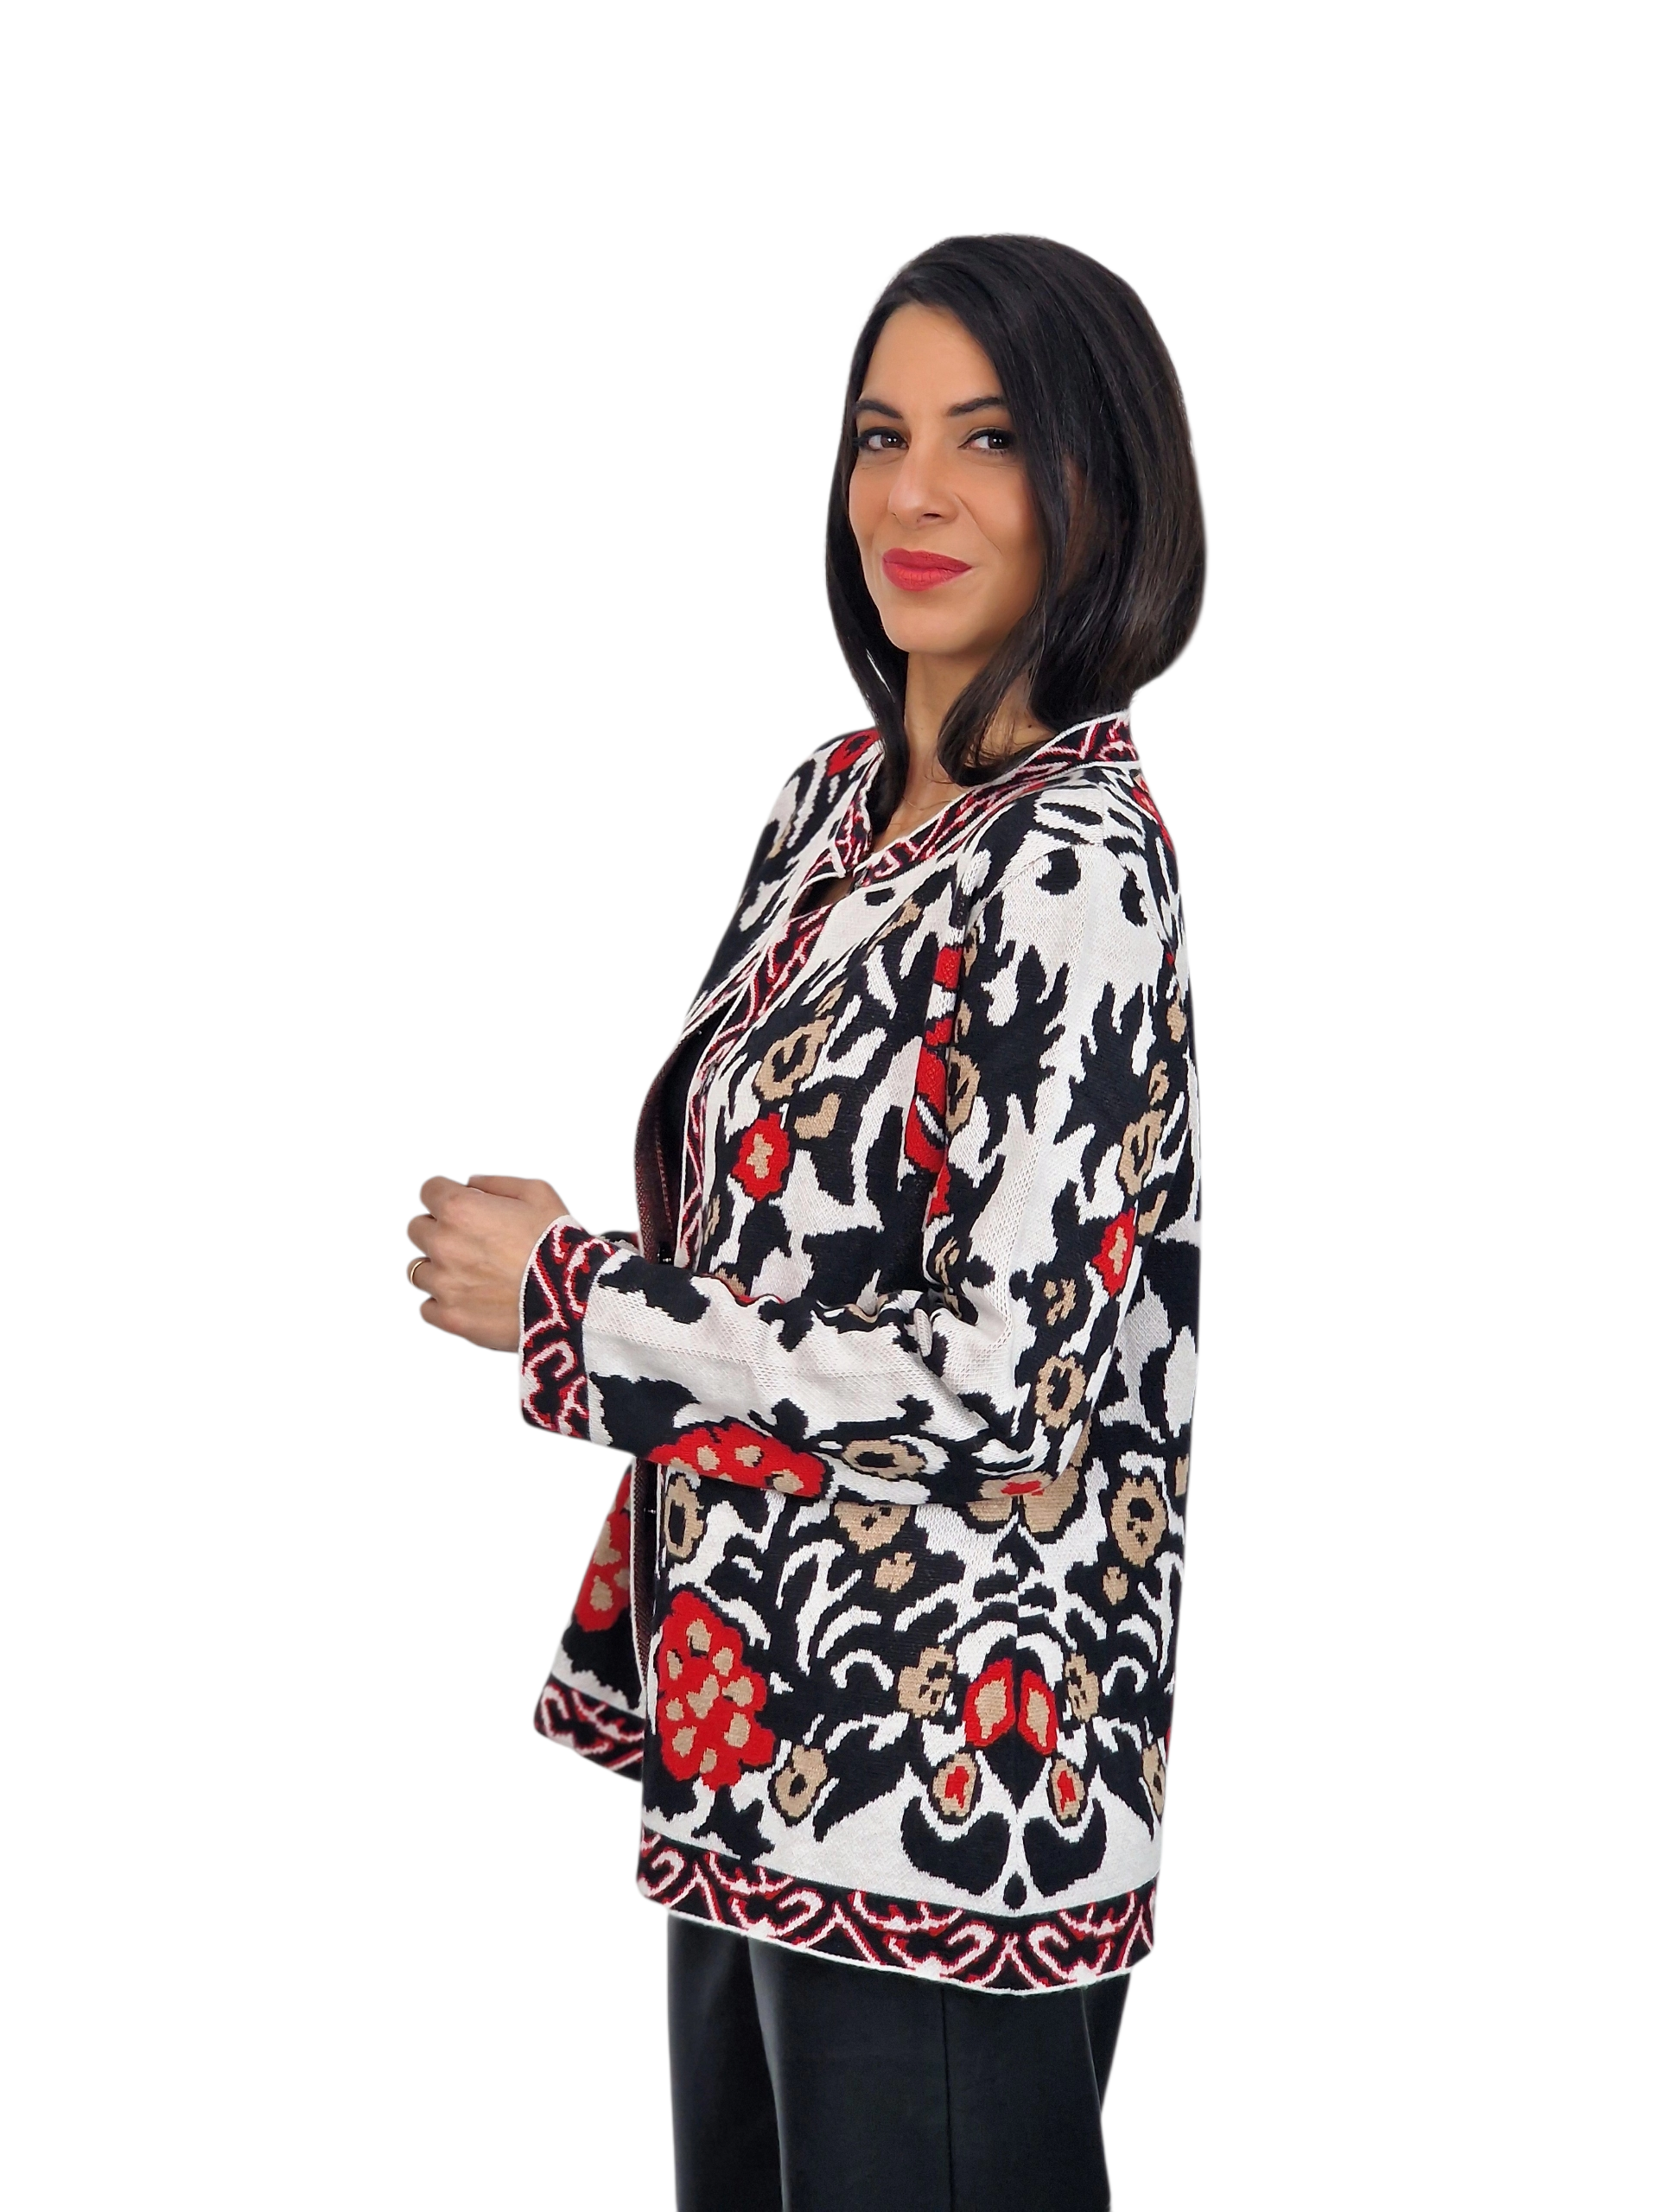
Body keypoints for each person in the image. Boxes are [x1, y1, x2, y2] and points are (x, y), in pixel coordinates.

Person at [406, 232, 1205, 2212]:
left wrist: (577, 1298)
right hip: (755, 1737)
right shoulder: (826, 809)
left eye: (989, 439)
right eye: (879, 434)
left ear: (1103, 485)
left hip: (952, 1782)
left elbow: (1007, 1384)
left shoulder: (1076, 866)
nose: (913, 493)